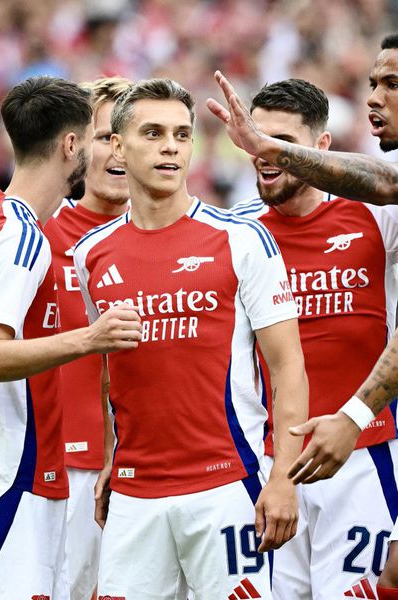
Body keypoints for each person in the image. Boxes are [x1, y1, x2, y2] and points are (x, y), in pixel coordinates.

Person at [73, 77, 308, 600]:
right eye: (152, 133)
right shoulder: (91, 254)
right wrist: (113, 453)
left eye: (182, 135)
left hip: (228, 486)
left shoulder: (242, 240)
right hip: (134, 496)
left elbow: (288, 365)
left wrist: (284, 477)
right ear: (117, 145)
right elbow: (111, 367)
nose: (170, 147)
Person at [0, 76, 134, 600]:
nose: (113, 152)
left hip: (72, 466)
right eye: (102, 137)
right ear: (73, 144)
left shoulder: (1, 220)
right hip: (24, 466)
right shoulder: (24, 232)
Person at [205, 32, 398, 600]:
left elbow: (386, 182)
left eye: (281, 143)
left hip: (363, 456)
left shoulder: (377, 219)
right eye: (256, 141)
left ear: (321, 146)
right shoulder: (234, 233)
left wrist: (358, 417)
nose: (263, 155)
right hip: (268, 465)